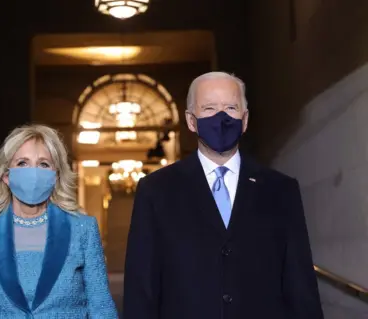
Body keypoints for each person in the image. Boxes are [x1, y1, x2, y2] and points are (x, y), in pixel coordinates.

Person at [123, 72, 323, 319]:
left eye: (231, 107)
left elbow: (300, 285)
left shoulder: (281, 190)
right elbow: (141, 288)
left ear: (245, 119)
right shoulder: (156, 190)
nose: (221, 117)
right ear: (191, 121)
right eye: (209, 108)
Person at [0, 124, 118, 318]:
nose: (33, 172)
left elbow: (102, 308)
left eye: (43, 164)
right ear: (6, 175)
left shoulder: (83, 229)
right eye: (22, 163)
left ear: (56, 176)